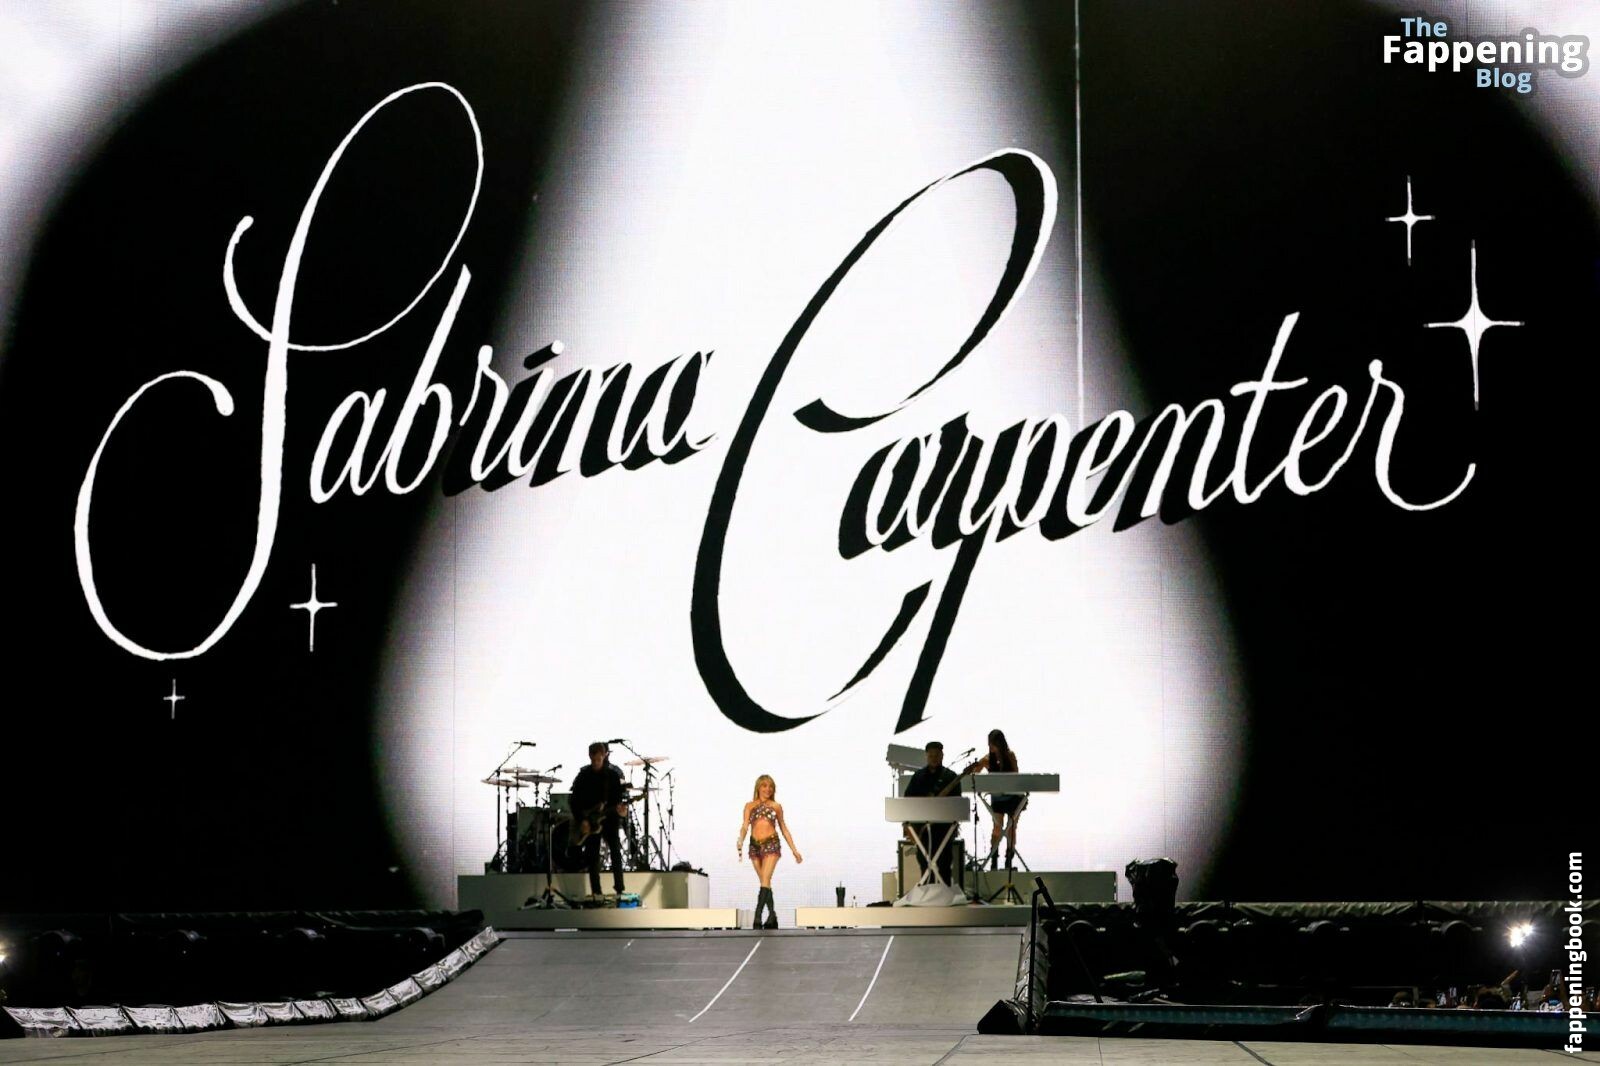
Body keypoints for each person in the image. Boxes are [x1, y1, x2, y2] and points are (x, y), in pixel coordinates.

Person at [735, 775, 803, 929]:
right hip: (754, 846)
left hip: (771, 844)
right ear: (758, 787)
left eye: (771, 786)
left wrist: (794, 850)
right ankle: (772, 915)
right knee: (764, 882)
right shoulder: (749, 806)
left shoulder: (776, 806)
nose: (768, 789)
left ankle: (758, 916)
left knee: (765, 879)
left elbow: (784, 828)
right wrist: (741, 839)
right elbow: (745, 826)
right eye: (764, 785)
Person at [571, 741, 629, 901]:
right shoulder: (583, 776)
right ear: (590, 756)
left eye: (599, 759)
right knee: (593, 856)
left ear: (604, 756)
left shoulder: (612, 776)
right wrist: (582, 820)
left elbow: (618, 801)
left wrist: (621, 812)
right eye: (594, 759)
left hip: (609, 819)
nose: (596, 762)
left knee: (616, 852)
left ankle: (620, 889)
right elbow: (574, 801)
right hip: (590, 821)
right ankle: (596, 892)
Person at [962, 729, 1024, 870]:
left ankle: (1008, 859)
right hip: (998, 797)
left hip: (1013, 796)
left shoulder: (1010, 756)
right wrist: (972, 769)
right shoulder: (987, 759)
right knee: (997, 827)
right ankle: (994, 858)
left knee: (1011, 827)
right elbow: (975, 772)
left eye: (994, 744)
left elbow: (1016, 775)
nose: (991, 747)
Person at [904, 741, 959, 885]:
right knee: (924, 862)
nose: (934, 758)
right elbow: (908, 800)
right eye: (931, 755)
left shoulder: (950, 777)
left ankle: (945, 893)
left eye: (937, 755)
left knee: (944, 862)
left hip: (944, 829)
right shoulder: (918, 777)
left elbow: (957, 805)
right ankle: (927, 892)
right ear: (926, 756)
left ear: (942, 756)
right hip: (922, 829)